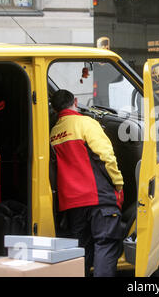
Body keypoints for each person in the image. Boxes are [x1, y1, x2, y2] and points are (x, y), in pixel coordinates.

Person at [49, 89, 124, 277]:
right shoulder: (85, 123)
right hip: (97, 197)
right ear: (75, 101)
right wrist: (118, 184)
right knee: (106, 244)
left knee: (82, 251)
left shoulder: (54, 132)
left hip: (72, 203)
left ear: (55, 108)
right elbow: (105, 155)